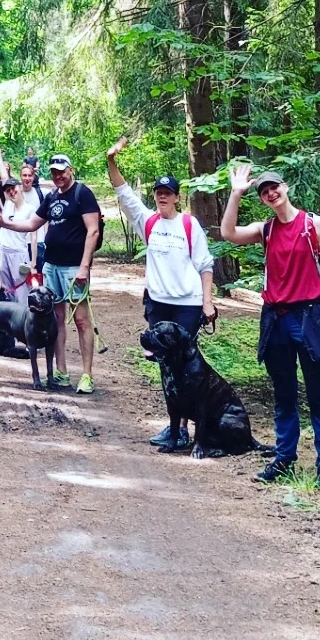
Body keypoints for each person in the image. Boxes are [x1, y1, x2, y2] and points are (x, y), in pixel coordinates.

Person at [221, 165, 320, 485]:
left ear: (286, 187)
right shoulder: (266, 230)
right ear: (263, 199)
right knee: (284, 393)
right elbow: (229, 233)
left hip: (310, 316)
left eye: (274, 187)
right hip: (275, 319)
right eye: (265, 192)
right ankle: (284, 459)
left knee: (319, 393)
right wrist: (236, 193)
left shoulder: (313, 224)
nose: (271, 193)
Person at [107, 138, 217, 446]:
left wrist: (208, 302)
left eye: (168, 193)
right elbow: (123, 192)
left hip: (188, 305)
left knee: (185, 365)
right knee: (166, 366)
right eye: (158, 192)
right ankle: (174, 428)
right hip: (158, 304)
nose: (162, 197)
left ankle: (185, 427)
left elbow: (205, 265)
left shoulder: (189, 225)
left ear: (177, 197)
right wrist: (111, 160)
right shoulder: (148, 222)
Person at [0, 154, 101, 393]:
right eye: (54, 172)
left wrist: (85, 265)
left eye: (62, 171)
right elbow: (32, 224)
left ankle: (86, 375)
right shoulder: (51, 197)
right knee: (56, 320)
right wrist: (5, 224)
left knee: (81, 320)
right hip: (52, 266)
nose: (58, 175)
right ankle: (61, 372)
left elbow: (93, 231)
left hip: (74, 268)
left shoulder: (82, 194)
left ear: (70, 170)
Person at [0, 147, 34, 304]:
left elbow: (33, 237)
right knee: (6, 289)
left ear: (20, 188)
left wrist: (33, 262)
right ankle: (9, 317)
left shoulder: (30, 209)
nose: (11, 192)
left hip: (19, 253)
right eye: (8, 190)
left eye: (14, 188)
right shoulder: (8, 205)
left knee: (21, 289)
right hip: (3, 250)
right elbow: (4, 176)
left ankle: (23, 316)